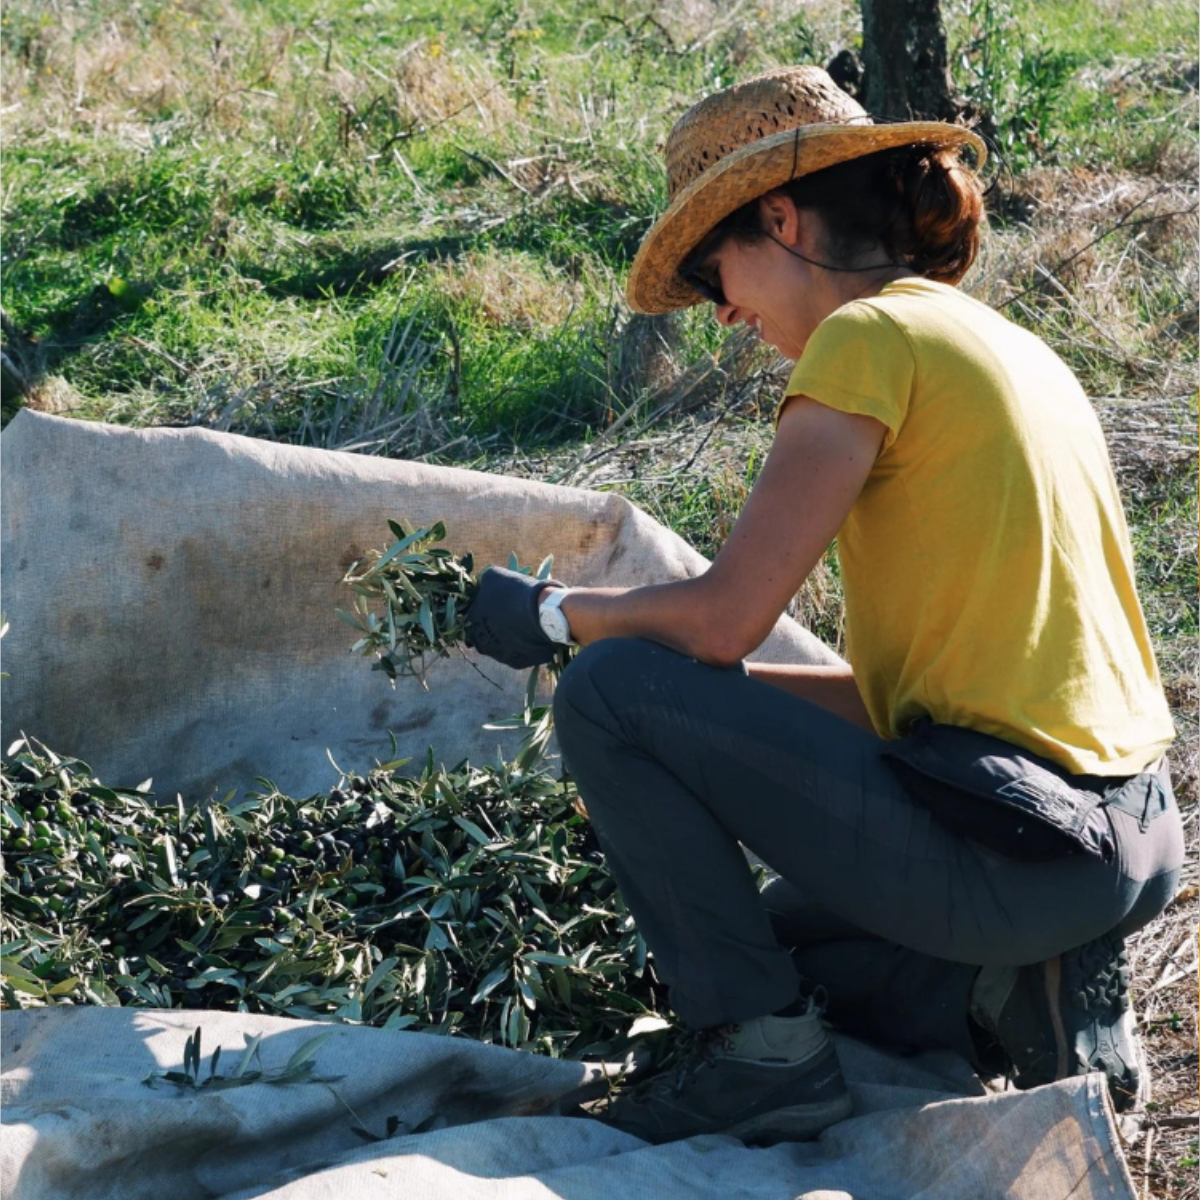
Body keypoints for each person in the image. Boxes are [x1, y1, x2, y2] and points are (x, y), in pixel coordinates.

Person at [462, 65, 1184, 1146]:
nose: (724, 313)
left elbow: (723, 617)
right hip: (1126, 841)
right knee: (782, 953)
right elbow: (908, 695)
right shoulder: (995, 342)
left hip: (1024, 846)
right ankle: (1012, 990)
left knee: (611, 694)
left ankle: (764, 1070)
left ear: (781, 217)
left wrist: (563, 618)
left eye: (717, 274)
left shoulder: (866, 342)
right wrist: (718, 707)